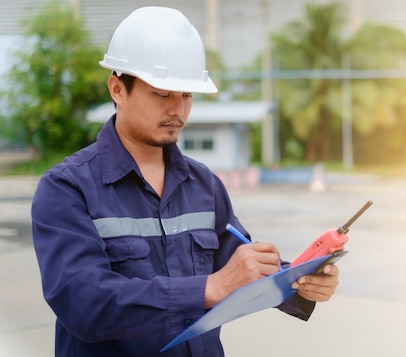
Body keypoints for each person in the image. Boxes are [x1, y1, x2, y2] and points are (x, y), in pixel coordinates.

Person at [31, 6, 340, 357]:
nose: (177, 109)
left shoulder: (204, 185)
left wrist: (299, 281)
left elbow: (239, 266)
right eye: (163, 94)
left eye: (187, 95)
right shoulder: (67, 189)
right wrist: (207, 289)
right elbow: (82, 303)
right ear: (118, 88)